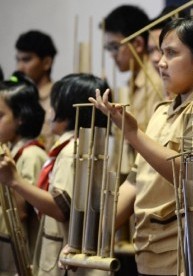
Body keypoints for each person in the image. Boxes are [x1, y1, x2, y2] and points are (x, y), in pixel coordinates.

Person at [90, 15, 193, 275]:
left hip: (186, 250)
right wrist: (94, 235)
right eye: (160, 52)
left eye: (171, 53)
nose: (160, 62)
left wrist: (133, 134)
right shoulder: (162, 111)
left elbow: (189, 175)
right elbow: (135, 181)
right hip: (149, 245)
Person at [0, 73, 109, 276]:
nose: (49, 112)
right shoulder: (74, 148)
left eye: (54, 105)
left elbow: (61, 207)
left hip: (66, 264)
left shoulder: (71, 152)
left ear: (67, 113)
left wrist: (15, 181)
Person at [103, 4, 165, 174]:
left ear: (138, 43)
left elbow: (153, 140)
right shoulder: (131, 84)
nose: (112, 55)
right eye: (108, 49)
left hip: (145, 175)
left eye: (115, 47)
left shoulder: (156, 83)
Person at [0, 71, 47, 275]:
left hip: (23, 254)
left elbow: (21, 211)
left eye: (0, 116)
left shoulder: (31, 155)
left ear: (21, 118)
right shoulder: (12, 150)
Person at [15, 30, 58, 151]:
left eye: (26, 60)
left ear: (46, 62)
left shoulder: (57, 99)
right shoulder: (18, 98)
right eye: (18, 60)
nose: (19, 67)